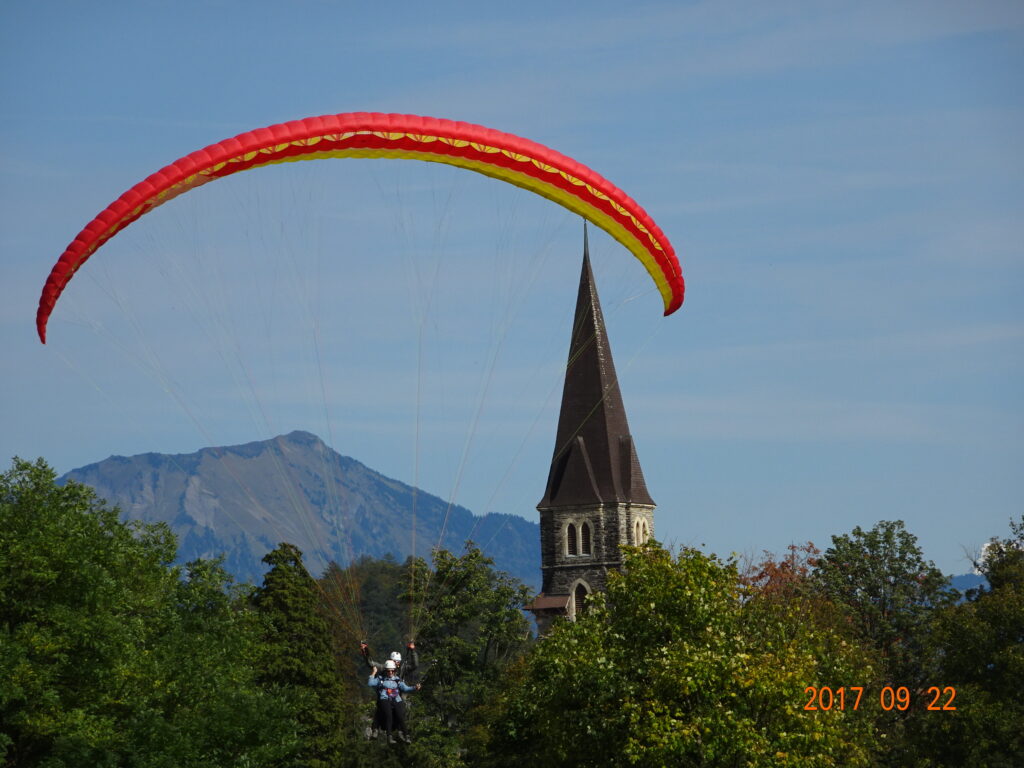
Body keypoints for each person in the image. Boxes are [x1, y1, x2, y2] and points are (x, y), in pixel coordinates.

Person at [368, 660, 420, 744]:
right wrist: (374, 673)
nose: (390, 672)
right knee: (389, 715)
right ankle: (389, 736)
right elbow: (370, 683)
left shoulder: (397, 680)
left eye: (392, 671)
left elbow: (405, 688)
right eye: (388, 671)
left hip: (396, 699)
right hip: (385, 698)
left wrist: (414, 687)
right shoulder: (381, 679)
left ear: (394, 671)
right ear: (385, 671)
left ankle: (406, 736)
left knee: (400, 716)